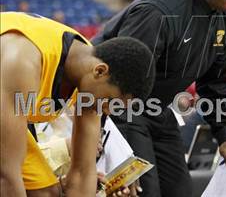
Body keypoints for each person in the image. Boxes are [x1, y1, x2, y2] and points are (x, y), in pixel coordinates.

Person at [92, 0, 226, 197]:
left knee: (180, 190)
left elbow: (216, 83)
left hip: (157, 107)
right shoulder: (158, 12)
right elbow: (116, 78)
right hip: (120, 105)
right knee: (145, 190)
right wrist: (95, 127)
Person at [0, 12, 155, 197]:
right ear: (100, 71)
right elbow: (7, 174)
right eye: (110, 102)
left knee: (47, 193)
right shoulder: (23, 62)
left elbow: (82, 173)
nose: (106, 111)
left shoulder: (90, 73)